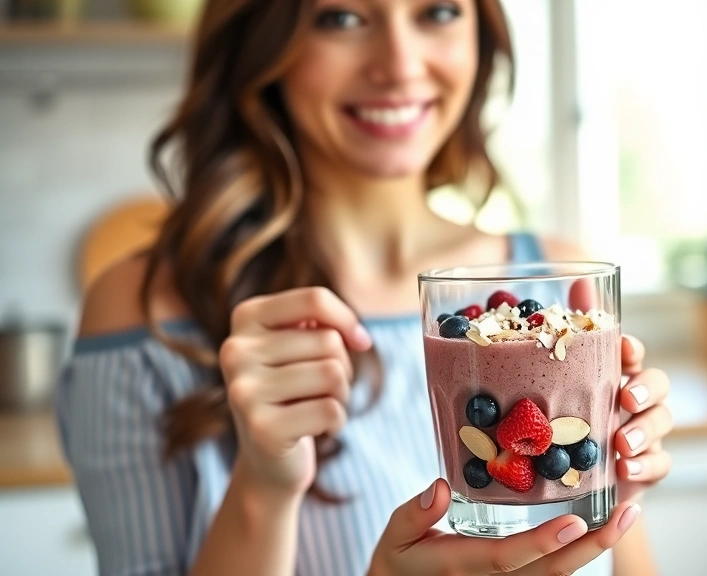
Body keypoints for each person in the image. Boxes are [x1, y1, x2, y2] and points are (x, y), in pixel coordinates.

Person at [58, 1, 674, 574]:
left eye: (437, 11)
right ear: (263, 42)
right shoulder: (143, 310)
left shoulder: (560, 289)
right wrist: (264, 490)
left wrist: (622, 486)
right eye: (343, 17)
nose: (401, 65)